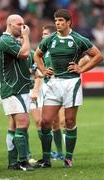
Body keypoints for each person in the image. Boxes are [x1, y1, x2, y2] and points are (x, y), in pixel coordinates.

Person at [33, 9, 103, 168]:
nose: (57, 23)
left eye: (61, 21)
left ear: (68, 22)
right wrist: (43, 70)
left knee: (69, 121)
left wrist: (81, 69)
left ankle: (68, 158)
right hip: (53, 83)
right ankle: (46, 159)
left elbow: (98, 55)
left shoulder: (78, 39)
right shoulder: (49, 39)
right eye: (56, 20)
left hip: (71, 83)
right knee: (45, 122)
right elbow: (37, 55)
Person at [0, 14, 34, 171]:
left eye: (23, 24)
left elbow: (29, 59)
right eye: (19, 24)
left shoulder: (15, 41)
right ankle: (23, 161)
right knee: (23, 123)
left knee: (14, 125)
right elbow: (25, 54)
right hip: (12, 88)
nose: (22, 27)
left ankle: (13, 163)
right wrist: (26, 38)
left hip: (22, 88)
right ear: (10, 25)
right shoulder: (4, 40)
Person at [30, 25, 65, 161]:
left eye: (45, 34)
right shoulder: (41, 51)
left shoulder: (58, 48)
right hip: (43, 88)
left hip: (57, 87)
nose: (43, 36)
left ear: (52, 35)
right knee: (42, 121)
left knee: (57, 122)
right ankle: (48, 153)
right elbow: (35, 69)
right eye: (42, 33)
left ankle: (60, 153)